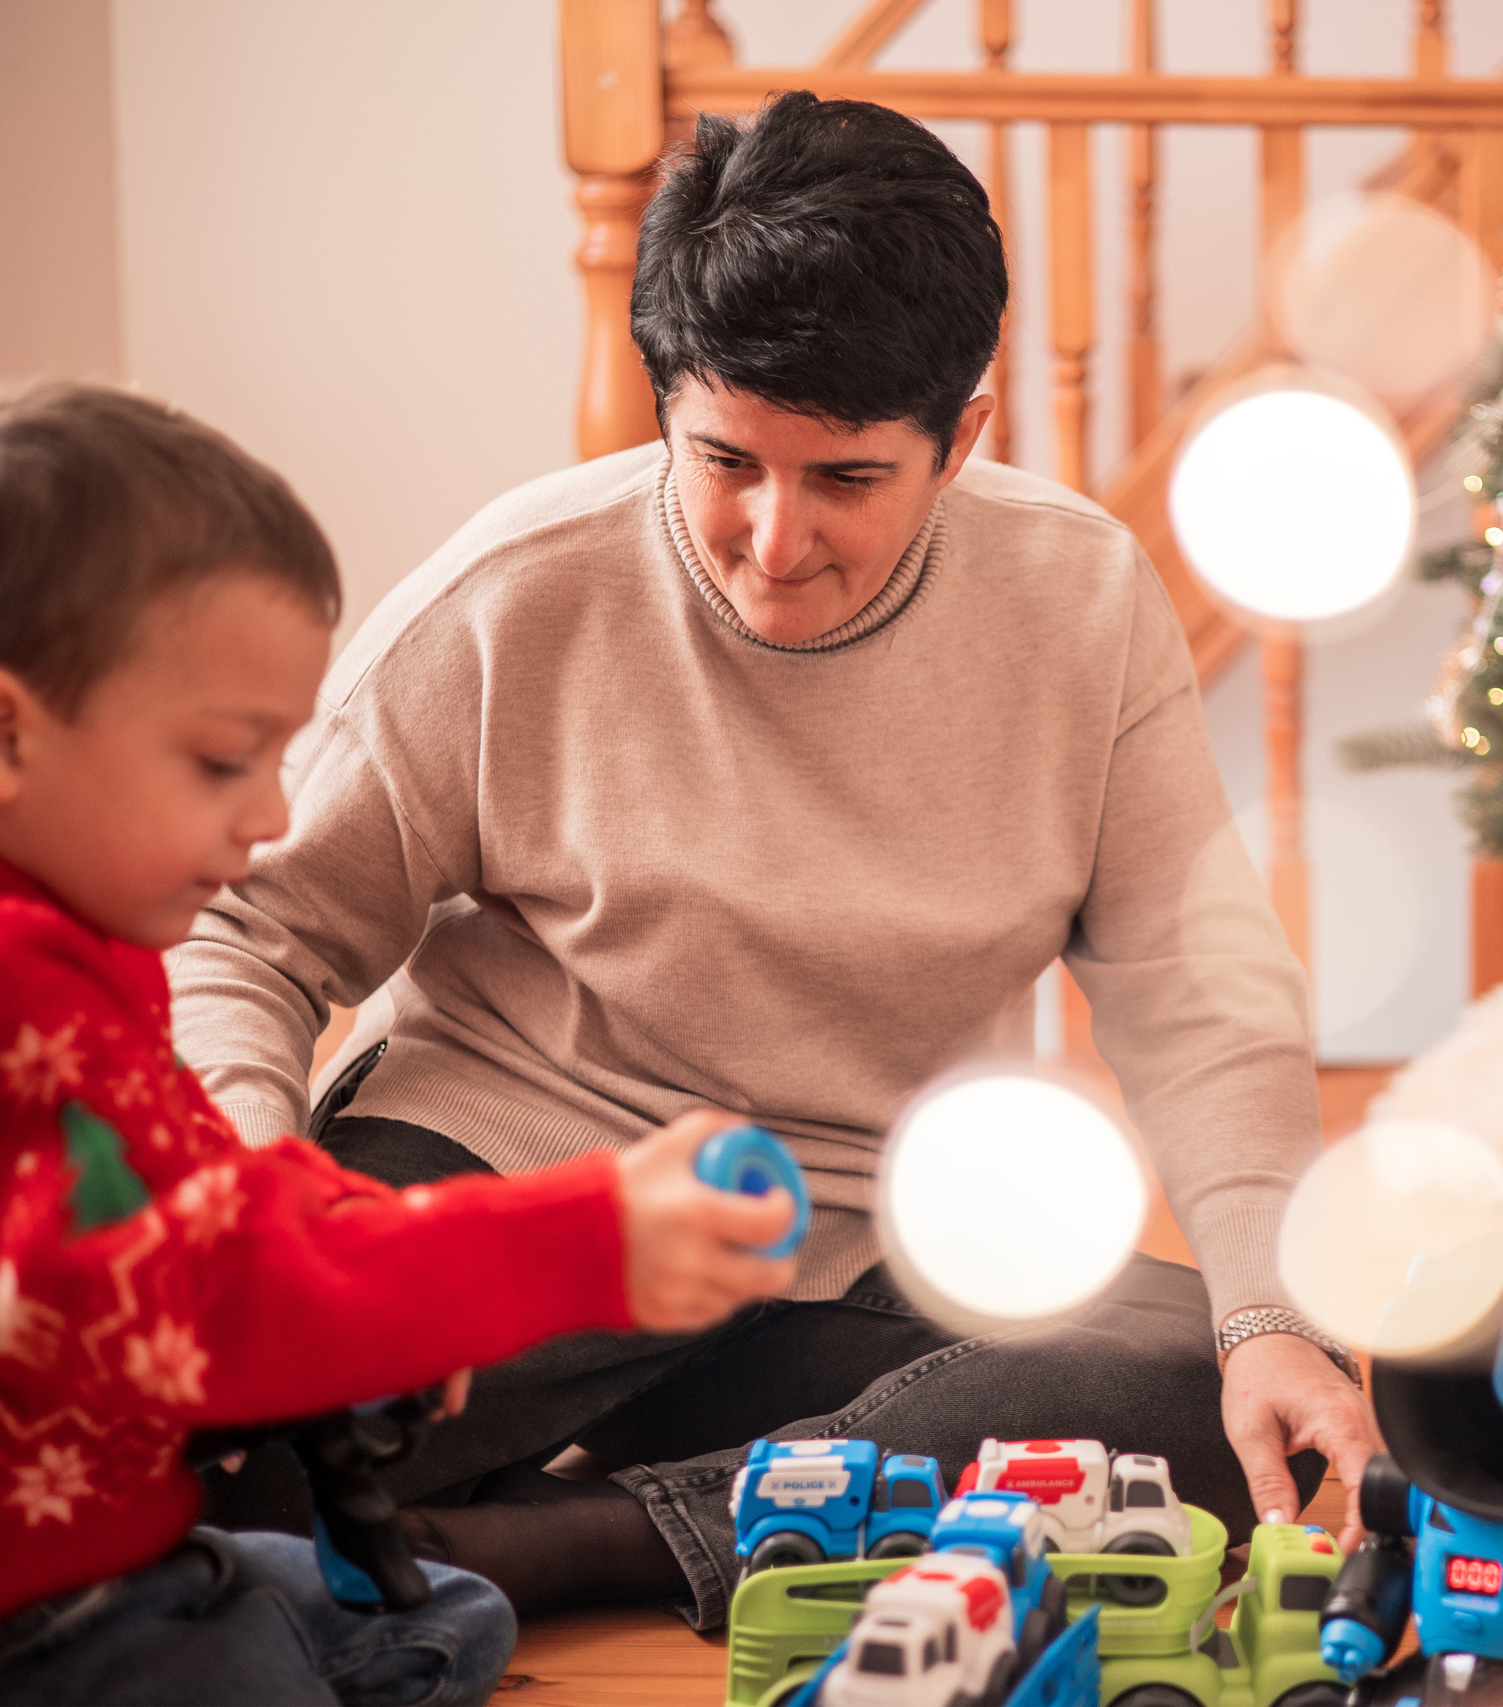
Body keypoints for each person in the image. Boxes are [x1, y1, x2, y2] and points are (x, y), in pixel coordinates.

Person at [167, 92, 1377, 1627]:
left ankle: (563, 1542)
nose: (773, 536)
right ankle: (602, 1508)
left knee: (1190, 1396)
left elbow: (1193, 992)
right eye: (724, 458)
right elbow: (247, 935)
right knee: (204, 1450)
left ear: (965, 437)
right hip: (521, 1184)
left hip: (862, 1228)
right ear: (662, 396)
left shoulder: (1084, 597)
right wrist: (264, 1186)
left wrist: (1269, 1313)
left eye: (847, 479)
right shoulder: (514, 590)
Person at [0, 384, 797, 1703]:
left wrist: (392, 1291)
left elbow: (189, 1167)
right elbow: (207, 1288)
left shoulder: (50, 916)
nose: (270, 816)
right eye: (221, 762)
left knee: (444, 1620)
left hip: (110, 1539)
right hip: (0, 1618)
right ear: (1, 734)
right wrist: (585, 1236)